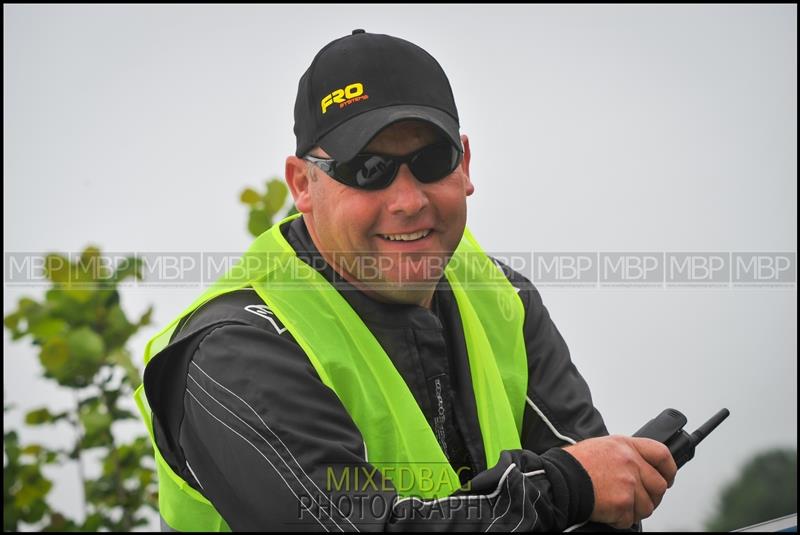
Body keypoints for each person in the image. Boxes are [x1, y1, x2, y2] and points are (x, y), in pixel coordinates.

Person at [135, 29, 677, 532]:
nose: (409, 200)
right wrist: (563, 489)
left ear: (464, 165)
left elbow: (597, 492)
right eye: (367, 170)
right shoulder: (231, 351)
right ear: (303, 184)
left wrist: (596, 485)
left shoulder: (499, 298)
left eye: (431, 160)